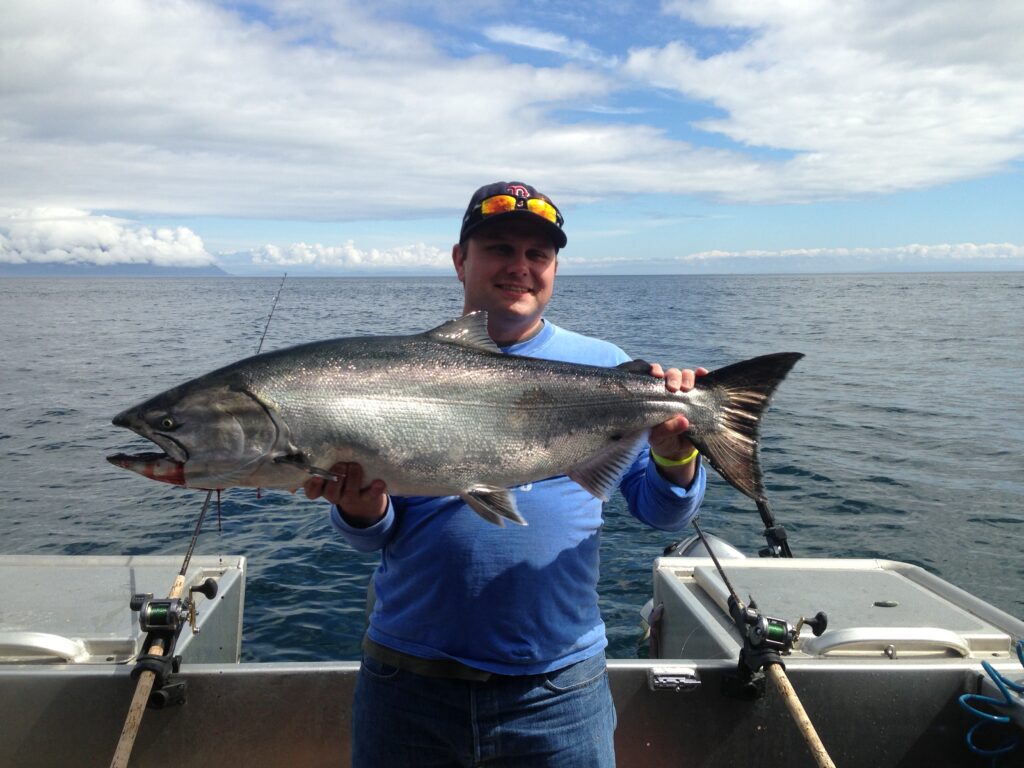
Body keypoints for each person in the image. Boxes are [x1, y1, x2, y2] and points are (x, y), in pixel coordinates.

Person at [304, 181, 707, 767]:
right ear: (460, 259)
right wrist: (360, 511)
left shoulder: (602, 365)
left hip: (558, 689)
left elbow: (659, 511)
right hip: (407, 682)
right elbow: (378, 533)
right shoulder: (398, 372)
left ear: (554, 269)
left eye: (536, 255)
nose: (519, 267)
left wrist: (676, 454)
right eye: (499, 249)